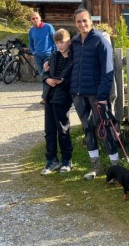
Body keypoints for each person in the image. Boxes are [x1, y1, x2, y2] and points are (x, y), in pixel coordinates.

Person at [70, 8, 119, 181]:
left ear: (91, 21)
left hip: (96, 95)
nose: (82, 24)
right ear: (75, 24)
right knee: (88, 129)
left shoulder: (100, 40)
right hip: (78, 93)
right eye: (78, 21)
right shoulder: (74, 42)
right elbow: (69, 63)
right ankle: (95, 167)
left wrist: (103, 95)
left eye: (85, 20)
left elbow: (108, 71)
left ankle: (115, 169)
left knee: (104, 129)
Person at [40, 29, 74, 175]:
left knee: (63, 129)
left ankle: (67, 160)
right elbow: (46, 72)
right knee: (49, 130)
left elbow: (74, 78)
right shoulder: (53, 56)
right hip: (49, 95)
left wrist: (63, 81)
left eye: (62, 42)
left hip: (63, 97)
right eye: (57, 43)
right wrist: (47, 79)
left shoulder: (74, 58)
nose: (60, 45)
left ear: (69, 41)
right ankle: (52, 160)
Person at [28, 11, 56, 104]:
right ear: (31, 20)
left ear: (40, 18)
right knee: (43, 76)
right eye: (33, 18)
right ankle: (48, 96)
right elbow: (31, 43)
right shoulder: (31, 30)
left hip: (48, 55)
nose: (35, 20)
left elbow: (55, 39)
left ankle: (45, 98)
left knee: (46, 75)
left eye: (36, 18)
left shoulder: (48, 27)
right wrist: (33, 52)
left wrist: (55, 53)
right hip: (38, 56)